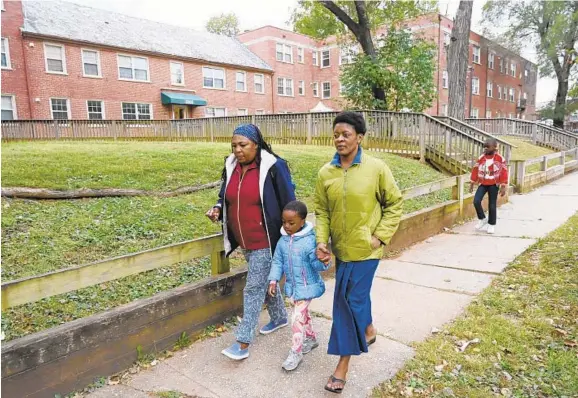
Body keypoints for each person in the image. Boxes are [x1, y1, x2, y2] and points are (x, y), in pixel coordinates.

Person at [314, 111, 403, 394]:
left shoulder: (376, 168)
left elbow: (394, 204)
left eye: (346, 135)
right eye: (336, 134)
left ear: (360, 138)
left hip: (367, 250)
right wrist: (321, 241)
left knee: (347, 301)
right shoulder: (325, 173)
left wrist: (379, 237)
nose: (340, 139)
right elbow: (322, 211)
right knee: (356, 299)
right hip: (342, 250)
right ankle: (368, 329)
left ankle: (342, 365)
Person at [206, 123, 296, 360]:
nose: (237, 150)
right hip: (244, 239)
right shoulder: (231, 166)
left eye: (243, 145)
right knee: (265, 281)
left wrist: (291, 237)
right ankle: (279, 318)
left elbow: (289, 202)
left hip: (266, 240)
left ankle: (243, 342)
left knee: (254, 288)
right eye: (234, 145)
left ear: (256, 145)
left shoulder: (273, 167)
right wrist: (218, 208)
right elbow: (225, 195)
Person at [268, 200, 330, 371]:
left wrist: (323, 260)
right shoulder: (282, 242)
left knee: (296, 317)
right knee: (304, 315)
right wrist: (273, 280)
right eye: (284, 222)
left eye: (291, 222)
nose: (287, 226)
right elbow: (277, 262)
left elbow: (318, 266)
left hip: (307, 287)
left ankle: (296, 352)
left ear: (302, 221)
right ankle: (311, 338)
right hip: (294, 288)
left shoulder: (310, 242)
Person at [469, 138, 508, 235]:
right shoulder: (481, 158)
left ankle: (491, 224)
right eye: (484, 147)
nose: (485, 148)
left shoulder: (500, 158)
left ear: (495, 147)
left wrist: (503, 185)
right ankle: (482, 219)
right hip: (483, 183)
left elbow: (504, 172)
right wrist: (472, 182)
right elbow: (475, 169)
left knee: (492, 205)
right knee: (476, 201)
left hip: (494, 184)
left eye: (488, 147)